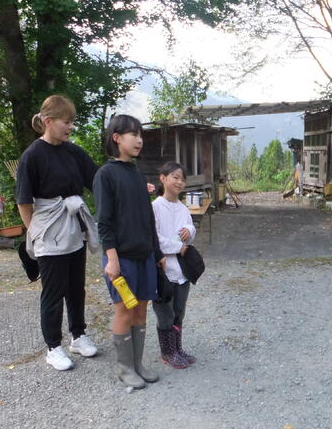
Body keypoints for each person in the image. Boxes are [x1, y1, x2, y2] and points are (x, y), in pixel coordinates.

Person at [16, 95, 100, 371]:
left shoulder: (73, 152)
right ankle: (53, 347)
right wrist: (36, 234)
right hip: (48, 229)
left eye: (72, 121)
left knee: (76, 287)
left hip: (73, 228)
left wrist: (128, 184)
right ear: (48, 121)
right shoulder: (32, 156)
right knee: (53, 292)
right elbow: (23, 201)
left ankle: (78, 336)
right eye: (66, 121)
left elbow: (97, 180)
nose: (70, 127)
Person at [94, 114, 165, 390]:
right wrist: (111, 259)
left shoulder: (137, 174)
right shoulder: (105, 175)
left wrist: (157, 253)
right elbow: (104, 222)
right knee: (124, 310)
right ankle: (125, 369)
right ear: (117, 138)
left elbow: (148, 219)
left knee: (142, 310)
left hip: (144, 255)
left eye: (140, 135)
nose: (139, 140)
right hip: (121, 259)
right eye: (133, 134)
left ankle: (137, 364)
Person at [152, 162, 198, 369]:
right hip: (163, 270)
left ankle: (177, 348)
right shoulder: (155, 207)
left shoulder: (183, 208)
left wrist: (190, 231)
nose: (180, 182)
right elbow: (154, 239)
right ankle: (167, 352)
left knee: (179, 311)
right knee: (165, 313)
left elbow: (190, 230)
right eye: (175, 177)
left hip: (182, 270)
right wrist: (178, 246)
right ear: (163, 178)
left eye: (183, 179)